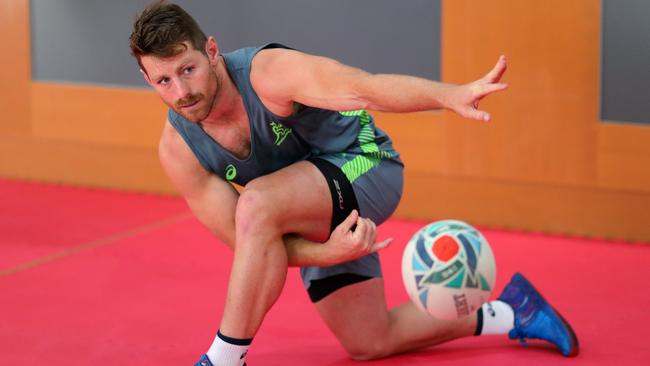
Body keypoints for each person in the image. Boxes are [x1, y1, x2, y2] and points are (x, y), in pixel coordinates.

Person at [129, 2, 579, 365]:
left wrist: (448, 95)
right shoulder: (178, 149)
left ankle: (224, 360)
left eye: (187, 70)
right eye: (163, 81)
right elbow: (250, 246)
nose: (180, 91)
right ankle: (511, 311)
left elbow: (363, 88)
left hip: (366, 167)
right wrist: (331, 253)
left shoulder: (268, 74)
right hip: (309, 215)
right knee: (370, 340)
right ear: (148, 80)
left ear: (210, 50)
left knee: (259, 202)